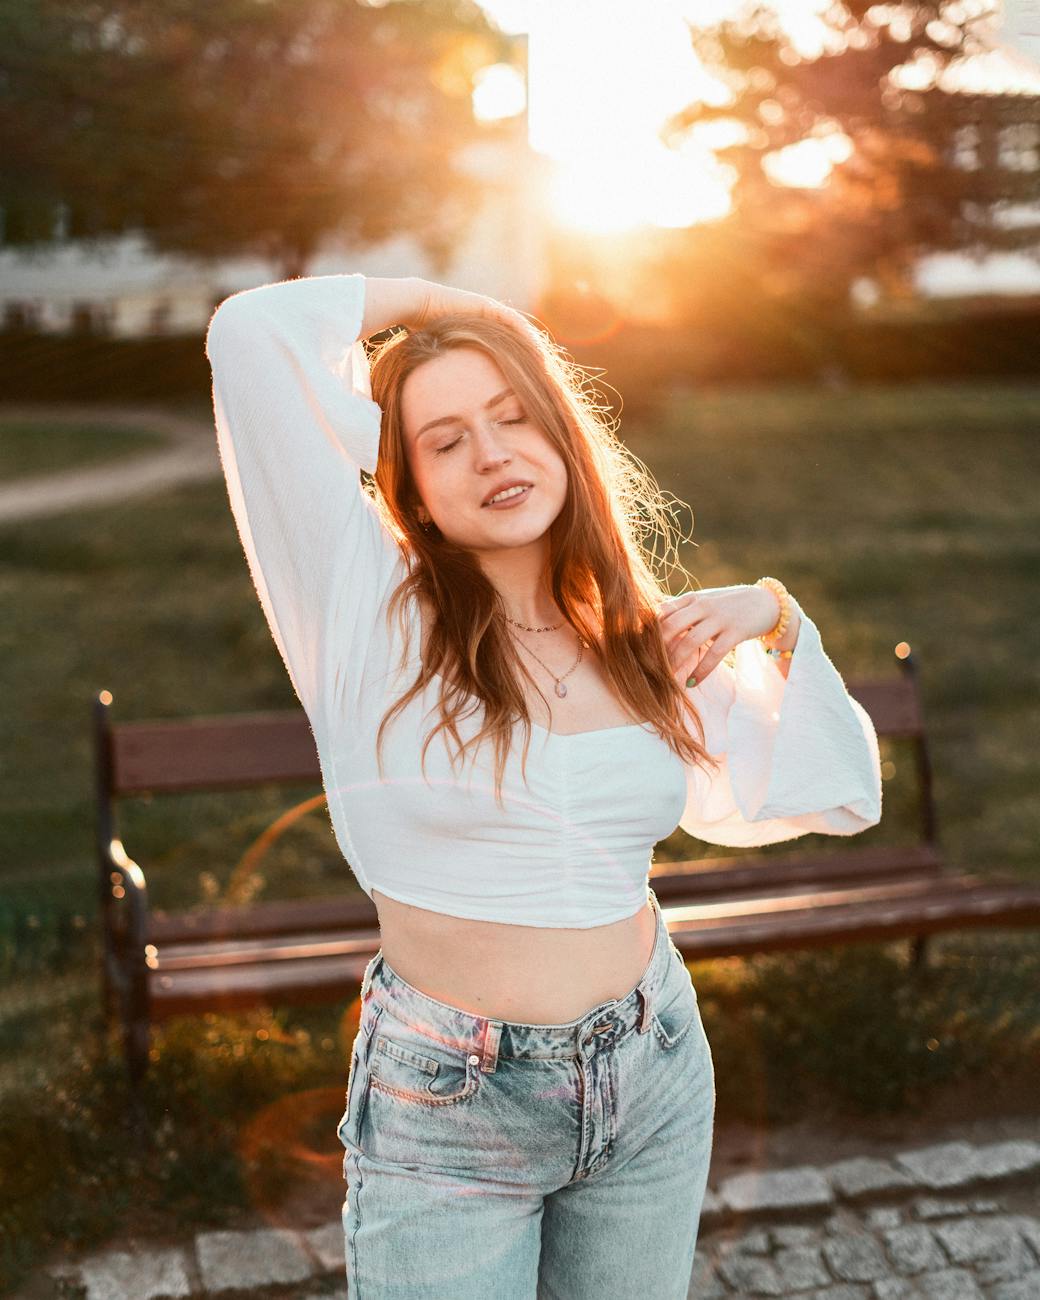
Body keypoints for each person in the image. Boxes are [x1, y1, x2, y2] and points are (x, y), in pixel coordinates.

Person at [204, 272, 882, 1298]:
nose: (490, 452)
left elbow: (835, 790)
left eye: (514, 415)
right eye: (445, 440)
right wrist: (477, 313)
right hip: (447, 1105)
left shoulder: (634, 632)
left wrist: (774, 624)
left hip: (649, 1064)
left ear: (562, 436)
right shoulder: (361, 601)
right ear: (410, 490)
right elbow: (252, 334)